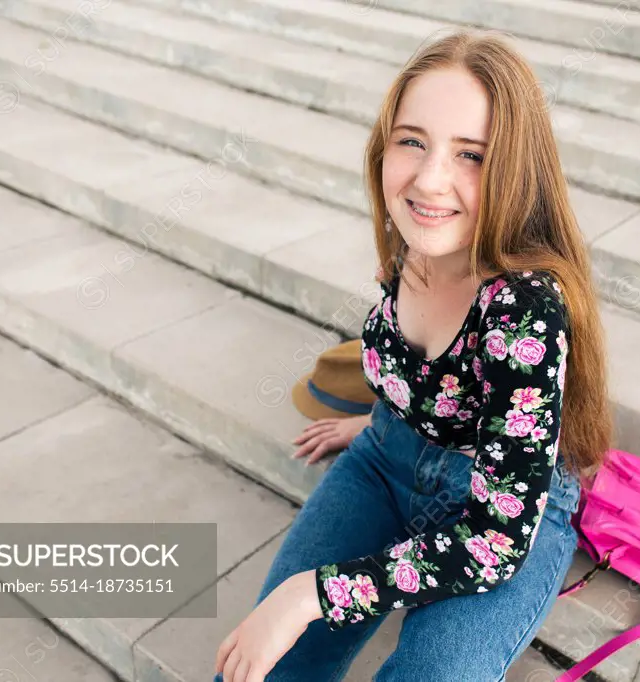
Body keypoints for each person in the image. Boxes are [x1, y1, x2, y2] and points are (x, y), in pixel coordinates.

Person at [213, 28, 613, 682]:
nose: (430, 179)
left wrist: (309, 594)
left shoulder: (523, 309)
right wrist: (380, 422)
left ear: (515, 167)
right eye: (412, 141)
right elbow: (424, 372)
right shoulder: (412, 246)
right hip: (386, 456)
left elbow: (491, 546)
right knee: (263, 669)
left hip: (496, 514)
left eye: (472, 155)